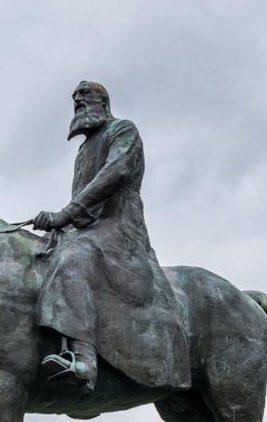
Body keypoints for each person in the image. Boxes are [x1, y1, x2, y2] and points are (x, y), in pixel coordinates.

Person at [33, 81, 190, 394]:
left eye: (85, 95)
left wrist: (65, 214)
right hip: (86, 227)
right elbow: (82, 196)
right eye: (75, 97)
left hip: (119, 224)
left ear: (103, 102)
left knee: (72, 260)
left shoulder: (122, 130)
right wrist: (58, 225)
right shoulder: (83, 150)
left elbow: (114, 174)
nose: (78, 100)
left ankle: (85, 361)